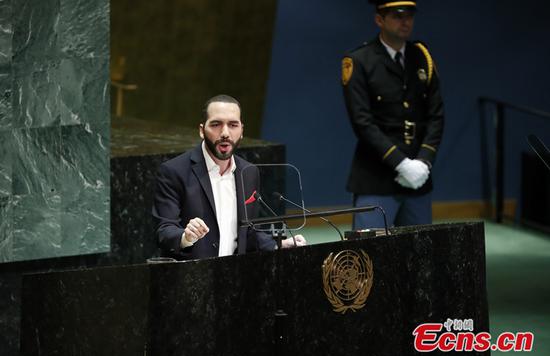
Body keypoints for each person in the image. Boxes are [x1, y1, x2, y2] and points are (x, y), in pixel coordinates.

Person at [152, 94, 306, 260]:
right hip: (192, 277)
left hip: (233, 277)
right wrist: (186, 237)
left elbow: (247, 231)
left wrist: (278, 244)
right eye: (216, 124)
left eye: (233, 125)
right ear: (201, 130)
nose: (225, 133)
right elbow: (164, 230)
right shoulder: (174, 171)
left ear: (241, 131)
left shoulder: (248, 172)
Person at [342, 0, 444, 229]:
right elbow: (362, 122)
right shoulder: (359, 60)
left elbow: (436, 115)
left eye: (409, 15)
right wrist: (402, 164)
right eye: (397, 15)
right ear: (380, 20)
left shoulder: (422, 57)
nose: (405, 21)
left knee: (419, 255)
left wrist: (423, 162)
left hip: (418, 178)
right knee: (372, 257)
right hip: (376, 178)